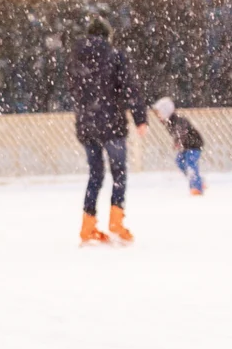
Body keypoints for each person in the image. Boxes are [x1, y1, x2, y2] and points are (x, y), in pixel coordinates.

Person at [68, 17, 146, 246]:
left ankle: (88, 225)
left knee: (95, 174)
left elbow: (73, 89)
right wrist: (140, 117)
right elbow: (130, 87)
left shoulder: (74, 58)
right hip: (112, 122)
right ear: (107, 36)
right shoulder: (115, 56)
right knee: (118, 172)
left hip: (86, 123)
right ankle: (116, 221)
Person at [150, 96, 205, 196]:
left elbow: (182, 131)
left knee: (190, 163)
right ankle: (199, 181)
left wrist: (179, 141)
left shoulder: (178, 120)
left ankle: (196, 187)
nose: (158, 116)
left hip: (194, 144)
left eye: (159, 113)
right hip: (186, 145)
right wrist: (177, 141)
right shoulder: (169, 122)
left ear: (165, 111)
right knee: (180, 161)